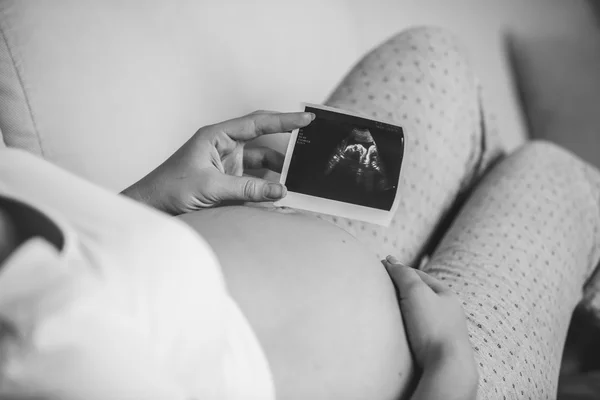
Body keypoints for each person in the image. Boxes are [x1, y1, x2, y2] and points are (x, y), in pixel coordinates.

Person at [1, 26, 599, 400]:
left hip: (322, 259)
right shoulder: (31, 360)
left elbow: (77, 275)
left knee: (431, 56)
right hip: (426, 367)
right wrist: (451, 370)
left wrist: (141, 208)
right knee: (555, 174)